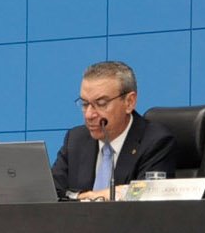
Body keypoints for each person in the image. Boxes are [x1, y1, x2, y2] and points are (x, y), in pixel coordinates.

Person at [49, 60, 176, 201]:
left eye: (101, 104)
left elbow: (146, 199)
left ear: (129, 102)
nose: (89, 115)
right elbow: (50, 193)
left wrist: (79, 198)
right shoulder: (76, 139)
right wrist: (91, 196)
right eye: (85, 104)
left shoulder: (155, 141)